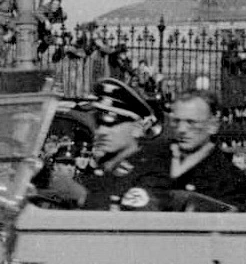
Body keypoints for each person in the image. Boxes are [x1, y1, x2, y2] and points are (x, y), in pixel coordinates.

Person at [35, 77, 174, 209]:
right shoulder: (102, 169)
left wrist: (81, 196)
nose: (101, 131)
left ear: (137, 129)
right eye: (98, 123)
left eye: (111, 124)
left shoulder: (150, 173)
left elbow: (131, 221)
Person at [160, 89, 246, 207]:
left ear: (213, 126)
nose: (181, 129)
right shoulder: (153, 159)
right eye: (176, 121)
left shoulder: (228, 178)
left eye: (191, 122)